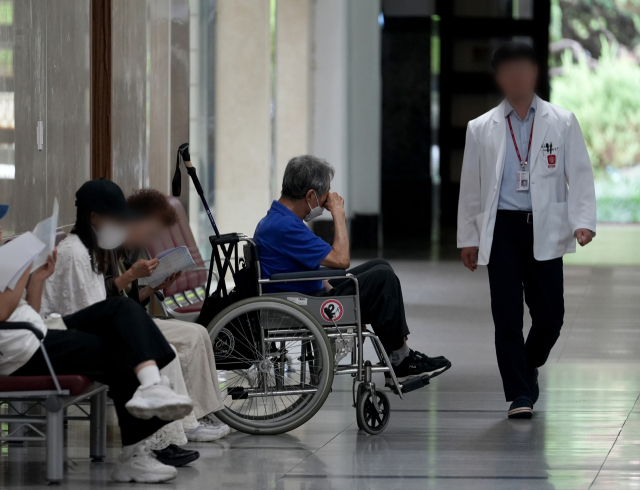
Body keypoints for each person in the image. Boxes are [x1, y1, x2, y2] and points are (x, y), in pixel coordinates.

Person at [457, 41, 596, 419]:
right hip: (501, 227)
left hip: (545, 224)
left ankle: (529, 363)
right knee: (506, 315)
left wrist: (583, 221)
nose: (517, 76)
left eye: (524, 68)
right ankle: (519, 393)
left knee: (551, 316)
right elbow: (471, 186)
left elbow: (580, 174)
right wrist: (469, 238)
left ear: (535, 72)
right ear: (500, 77)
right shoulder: (481, 127)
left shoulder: (562, 122)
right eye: (509, 70)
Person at [0, 211, 193, 484]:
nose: (0, 233)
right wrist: (21, 270)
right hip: (23, 350)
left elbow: (24, 312)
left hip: (36, 332)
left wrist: (38, 278)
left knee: (121, 308)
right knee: (121, 350)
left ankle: (152, 387)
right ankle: (133, 455)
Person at [39, 180, 201, 467]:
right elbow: (89, 311)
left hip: (77, 328)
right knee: (138, 351)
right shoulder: (75, 252)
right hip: (58, 336)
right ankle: (151, 446)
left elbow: (99, 307)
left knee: (147, 346)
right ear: (95, 218)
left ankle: (156, 442)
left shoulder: (90, 250)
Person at [254, 155, 451, 383]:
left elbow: (302, 264)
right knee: (382, 278)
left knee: (380, 265)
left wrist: (326, 282)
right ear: (310, 195)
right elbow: (341, 259)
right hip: (304, 303)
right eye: (325, 197)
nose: (327, 202)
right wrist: (338, 214)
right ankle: (401, 359)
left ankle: (400, 355)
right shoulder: (285, 226)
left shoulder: (277, 218)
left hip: (305, 291)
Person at [103, 188, 229, 441]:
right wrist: (132, 275)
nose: (149, 238)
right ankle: (189, 421)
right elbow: (102, 298)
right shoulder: (105, 249)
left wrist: (152, 288)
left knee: (199, 332)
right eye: (149, 231)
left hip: (130, 320)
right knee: (189, 339)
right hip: (116, 328)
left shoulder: (122, 250)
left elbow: (126, 301)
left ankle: (202, 412)